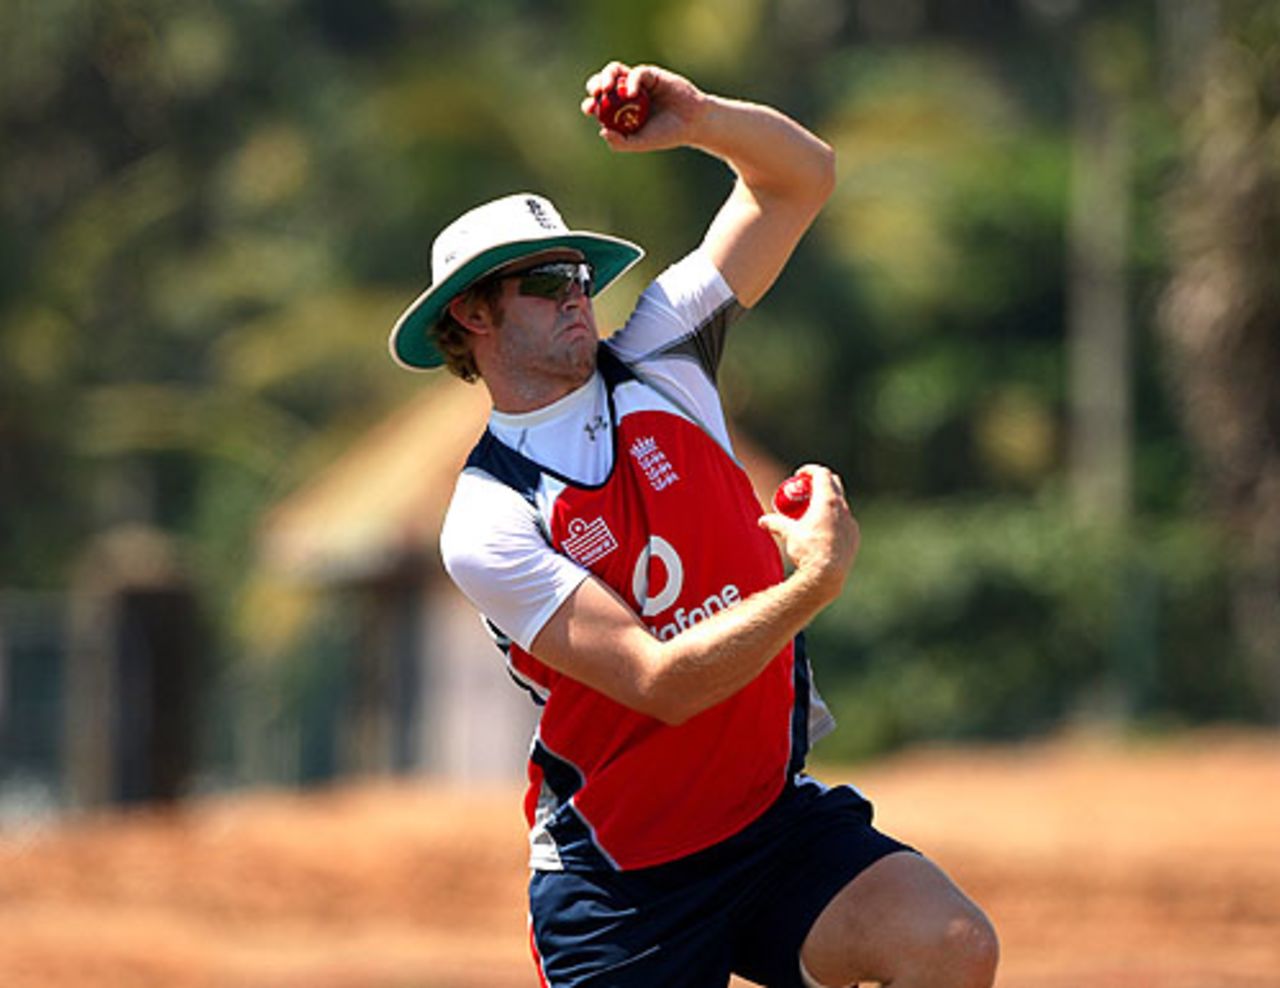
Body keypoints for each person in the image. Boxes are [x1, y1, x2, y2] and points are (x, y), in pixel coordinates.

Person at [389, 61, 998, 988]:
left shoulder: (664, 351)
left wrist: (702, 118)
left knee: (951, 945)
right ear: (473, 314)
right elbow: (660, 683)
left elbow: (800, 179)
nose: (577, 293)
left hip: (770, 825)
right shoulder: (488, 517)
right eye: (546, 280)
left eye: (579, 274)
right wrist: (814, 584)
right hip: (623, 882)